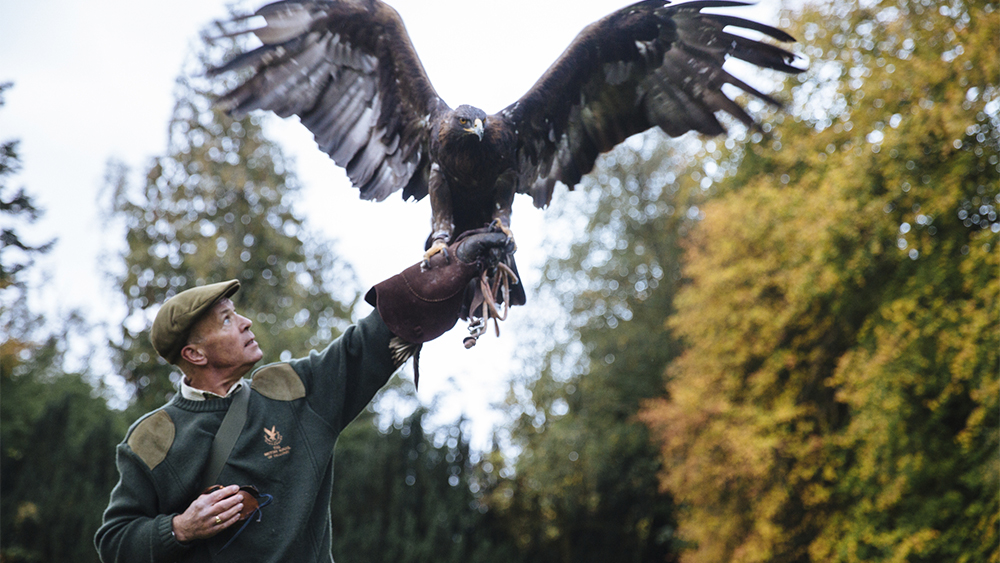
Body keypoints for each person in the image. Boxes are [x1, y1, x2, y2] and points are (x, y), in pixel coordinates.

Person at [95, 231, 513, 562]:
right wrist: (180, 529)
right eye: (227, 319)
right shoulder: (151, 439)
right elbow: (114, 542)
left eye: (236, 312)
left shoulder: (290, 391)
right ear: (194, 354)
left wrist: (450, 265)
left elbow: (366, 344)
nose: (245, 322)